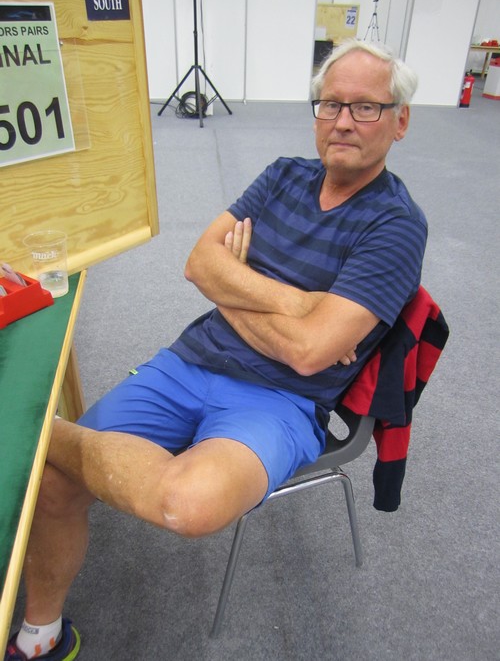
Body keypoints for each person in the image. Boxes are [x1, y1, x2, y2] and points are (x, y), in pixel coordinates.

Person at [5, 38, 426, 660]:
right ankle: (42, 633)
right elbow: (199, 263)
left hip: (284, 400)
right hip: (193, 361)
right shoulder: (283, 175)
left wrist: (234, 287)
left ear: (400, 121)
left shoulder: (395, 225)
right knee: (53, 483)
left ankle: (36, 430)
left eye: (366, 107)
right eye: (331, 104)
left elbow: (308, 354)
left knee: (189, 504)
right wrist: (300, 302)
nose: (342, 121)